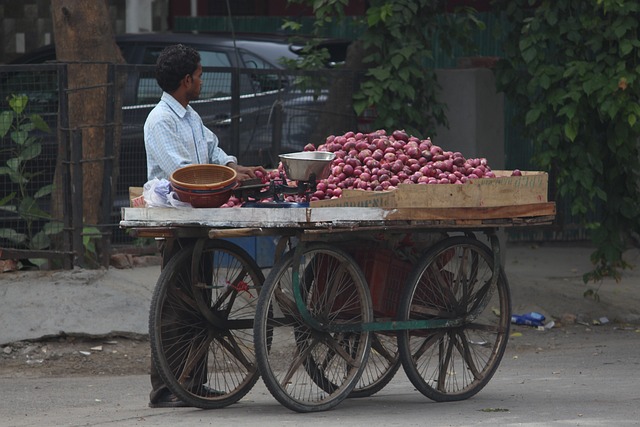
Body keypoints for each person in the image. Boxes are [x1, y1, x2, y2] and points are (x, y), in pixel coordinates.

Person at [143, 43, 265, 408]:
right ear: (185, 80)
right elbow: (184, 173)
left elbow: (212, 153)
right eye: (198, 76)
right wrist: (227, 175)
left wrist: (234, 166)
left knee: (200, 304)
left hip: (201, 217)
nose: (201, 81)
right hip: (179, 220)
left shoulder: (190, 116)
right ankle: (166, 388)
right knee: (177, 307)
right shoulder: (160, 121)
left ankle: (192, 383)